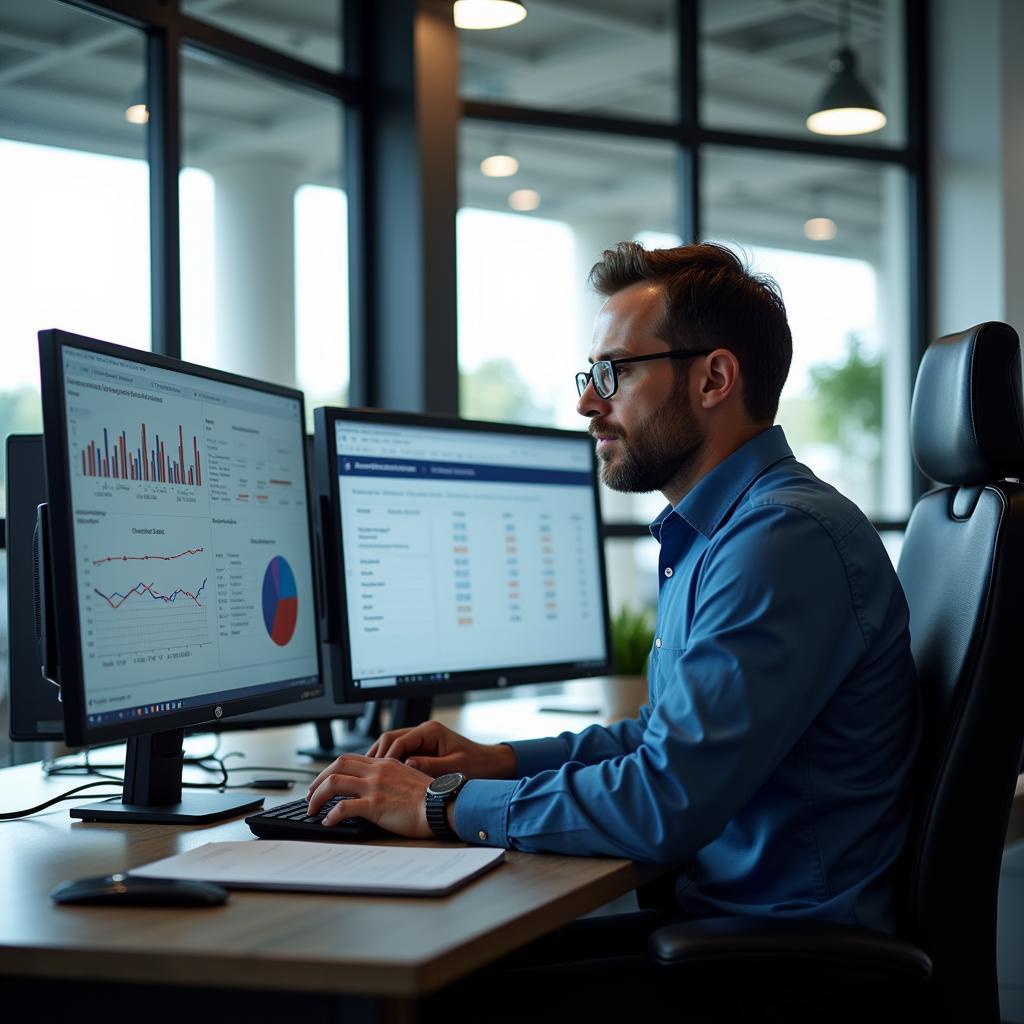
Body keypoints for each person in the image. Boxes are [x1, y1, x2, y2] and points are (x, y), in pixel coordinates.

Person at [307, 241, 920, 938]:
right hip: (727, 927)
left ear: (714, 378)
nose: (585, 401)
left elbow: (666, 799)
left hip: (776, 959)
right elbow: (668, 742)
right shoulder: (730, 532)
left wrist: (443, 803)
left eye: (614, 372)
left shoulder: (779, 540)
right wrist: (497, 761)